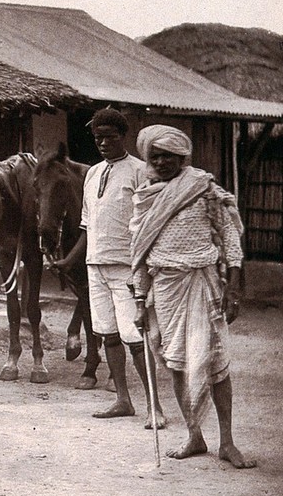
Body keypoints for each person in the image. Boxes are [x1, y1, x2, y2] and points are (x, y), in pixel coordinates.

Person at [131, 124, 255, 468]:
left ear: (182, 156)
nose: (161, 161)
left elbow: (229, 239)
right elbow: (138, 253)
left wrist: (232, 286)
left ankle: (227, 442)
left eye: (168, 155)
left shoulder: (203, 189)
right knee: (177, 363)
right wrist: (140, 302)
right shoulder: (145, 197)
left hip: (203, 284)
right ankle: (194, 436)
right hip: (165, 290)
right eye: (154, 156)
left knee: (215, 363)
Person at [54, 108, 165, 428]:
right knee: (109, 336)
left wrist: (147, 266)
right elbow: (88, 226)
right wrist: (69, 260)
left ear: (123, 137)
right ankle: (122, 399)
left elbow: (151, 223)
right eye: (97, 137)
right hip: (96, 266)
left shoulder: (141, 171)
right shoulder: (92, 173)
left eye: (109, 137)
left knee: (135, 338)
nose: (102, 143)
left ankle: (155, 408)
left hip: (128, 267)